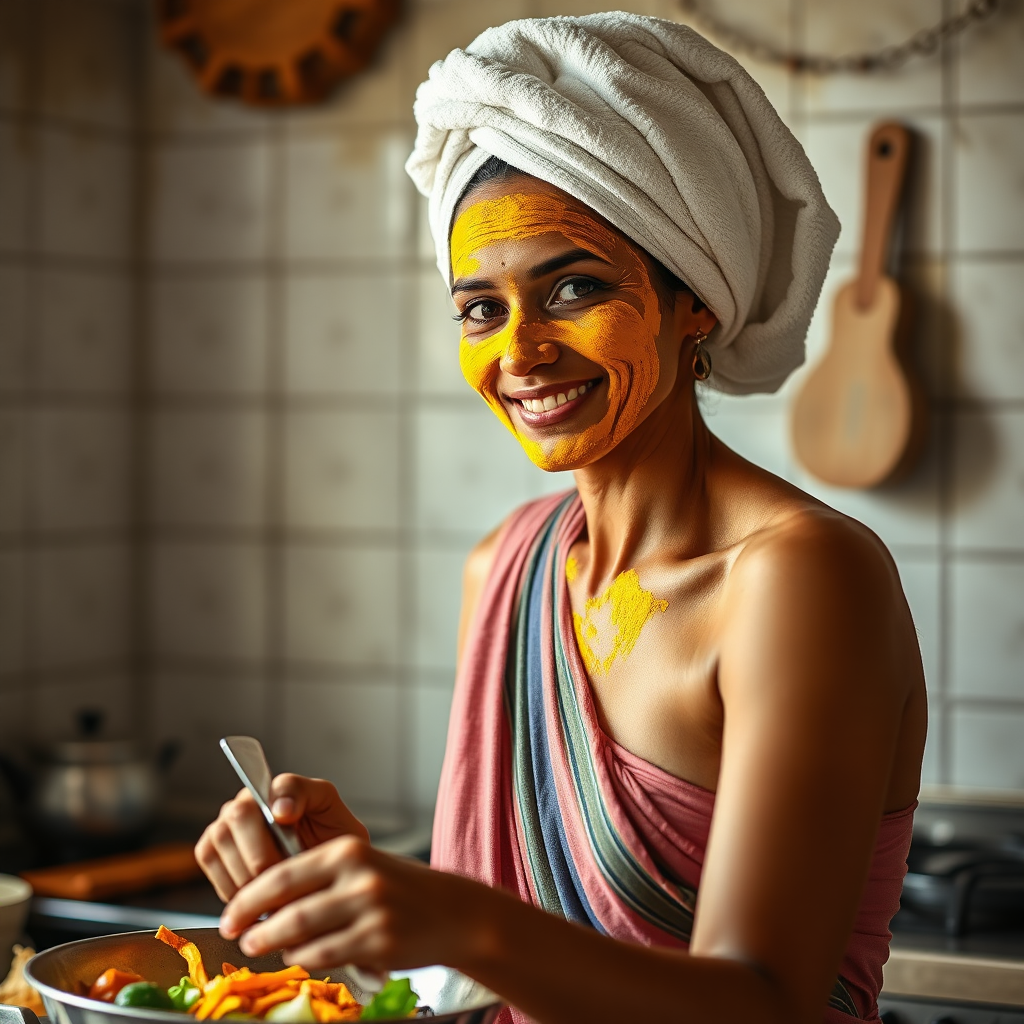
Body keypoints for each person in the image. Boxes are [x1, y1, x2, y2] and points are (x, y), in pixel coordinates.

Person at [195, 14, 926, 1024]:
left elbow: (767, 1006)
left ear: (692, 301)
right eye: (480, 310)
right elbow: (503, 966)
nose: (521, 351)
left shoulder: (798, 577)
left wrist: (456, 921)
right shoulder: (507, 563)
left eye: (573, 288)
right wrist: (358, 894)